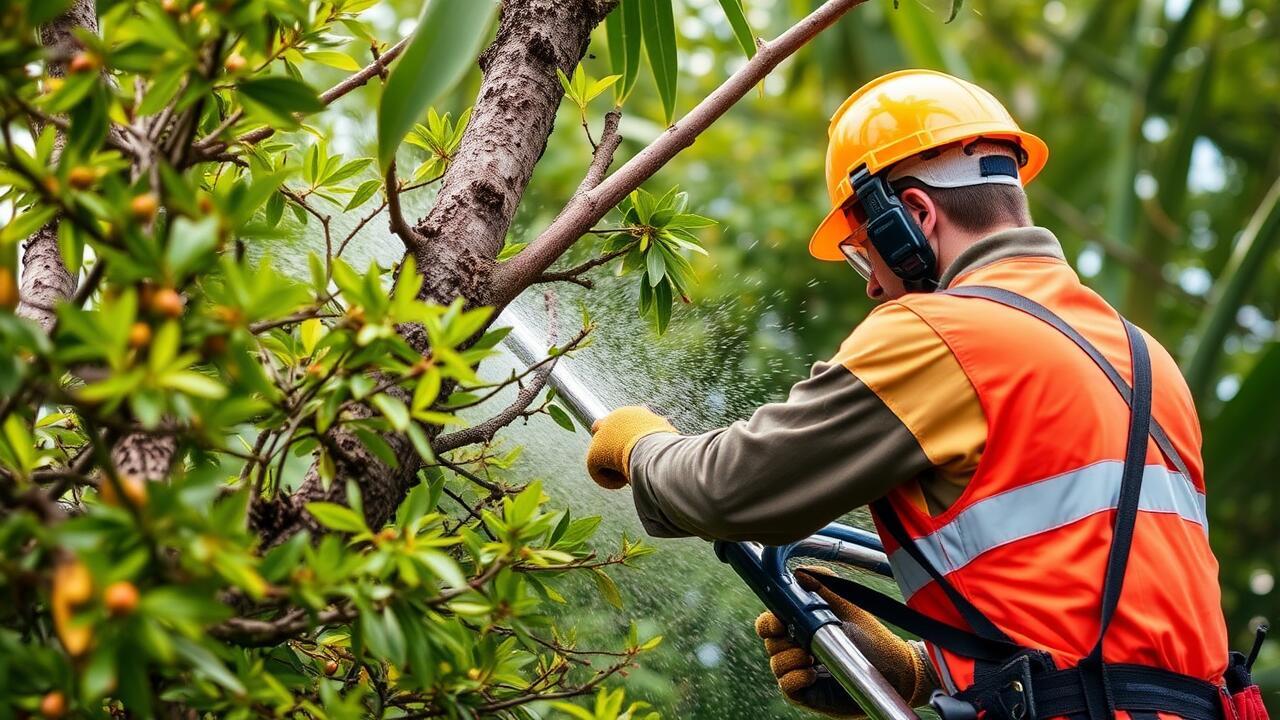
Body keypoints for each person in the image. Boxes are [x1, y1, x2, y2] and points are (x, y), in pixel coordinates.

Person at [583, 70, 1250, 720]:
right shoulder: (1143, 358)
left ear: (913, 218)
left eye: (863, 251)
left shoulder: (943, 335)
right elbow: (1116, 603)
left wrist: (642, 446)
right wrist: (920, 673)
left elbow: (725, 490)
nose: (873, 285)